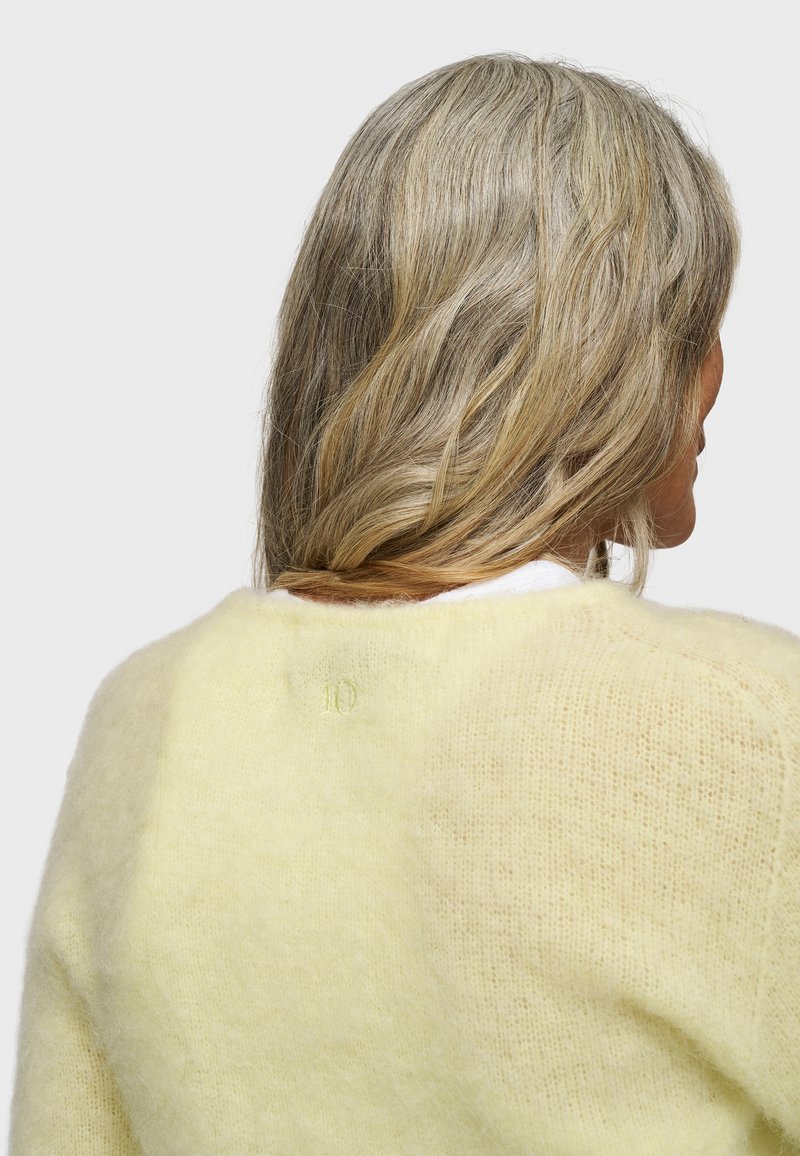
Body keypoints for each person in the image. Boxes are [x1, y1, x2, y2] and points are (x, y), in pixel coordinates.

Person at [8, 53, 800, 1155]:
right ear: (606, 360)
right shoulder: (748, 728)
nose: (717, 368)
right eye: (695, 320)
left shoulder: (145, 723)